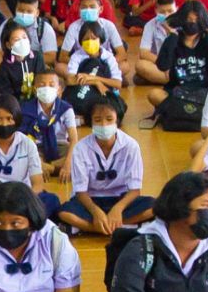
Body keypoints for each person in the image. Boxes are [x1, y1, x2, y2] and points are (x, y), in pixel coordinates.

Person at [56, 92, 150, 240]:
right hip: (90, 200)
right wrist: (96, 212)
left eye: (109, 119)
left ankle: (91, 228)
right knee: (64, 212)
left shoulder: (131, 146)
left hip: (121, 199)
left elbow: (135, 190)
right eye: (97, 120)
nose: (104, 125)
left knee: (155, 207)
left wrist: (118, 209)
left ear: (117, 120)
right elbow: (81, 192)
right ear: (91, 122)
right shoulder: (81, 148)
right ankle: (122, 227)